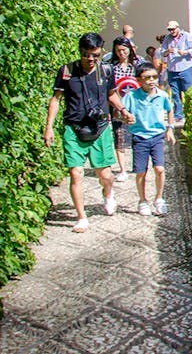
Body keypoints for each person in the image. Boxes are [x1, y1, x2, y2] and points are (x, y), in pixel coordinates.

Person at [43, 33, 135, 232]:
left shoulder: (106, 71)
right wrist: (49, 127)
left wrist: (124, 110)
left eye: (95, 55)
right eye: (87, 54)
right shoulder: (67, 71)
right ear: (80, 52)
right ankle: (82, 217)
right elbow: (56, 99)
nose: (91, 59)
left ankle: (108, 193)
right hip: (73, 128)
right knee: (76, 173)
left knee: (105, 175)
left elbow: (111, 94)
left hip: (99, 128)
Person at [122, 62, 176, 216]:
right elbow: (121, 112)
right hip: (140, 138)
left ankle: (159, 198)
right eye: (147, 77)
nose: (151, 80)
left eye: (154, 77)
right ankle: (142, 200)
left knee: (160, 169)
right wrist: (126, 117)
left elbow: (169, 110)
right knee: (141, 172)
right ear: (139, 80)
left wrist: (170, 128)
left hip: (157, 136)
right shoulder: (131, 96)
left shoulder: (162, 95)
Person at [108, 37, 140, 183]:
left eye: (124, 50)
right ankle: (122, 169)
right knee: (119, 136)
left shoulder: (136, 66)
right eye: (118, 50)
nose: (121, 53)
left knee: (137, 135)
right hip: (118, 106)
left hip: (136, 106)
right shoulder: (111, 67)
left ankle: (137, 165)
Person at [160, 20, 192, 128]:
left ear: (178, 28)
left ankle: (191, 111)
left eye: (173, 29)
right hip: (172, 69)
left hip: (185, 67)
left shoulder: (186, 36)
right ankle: (178, 115)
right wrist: (168, 51)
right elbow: (162, 52)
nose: (171, 31)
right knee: (175, 93)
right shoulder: (167, 38)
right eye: (170, 30)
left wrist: (185, 52)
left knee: (188, 91)